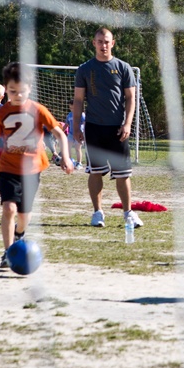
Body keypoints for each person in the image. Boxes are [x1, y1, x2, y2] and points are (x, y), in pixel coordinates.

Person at [0, 63, 74, 269]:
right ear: (5, 89)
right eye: (12, 91)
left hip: (32, 171)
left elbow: (60, 133)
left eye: (22, 91)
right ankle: (8, 252)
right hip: (8, 169)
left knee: (24, 215)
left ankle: (20, 235)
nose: (17, 95)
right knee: (9, 208)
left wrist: (66, 157)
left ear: (30, 87)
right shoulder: (0, 114)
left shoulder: (38, 110)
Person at [72, 27, 143, 230]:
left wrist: (128, 123)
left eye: (107, 41)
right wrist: (76, 126)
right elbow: (78, 100)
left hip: (117, 129)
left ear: (113, 43)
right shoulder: (85, 69)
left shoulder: (123, 67)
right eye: (100, 41)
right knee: (96, 172)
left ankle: (128, 213)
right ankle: (97, 213)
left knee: (123, 174)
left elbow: (131, 98)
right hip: (94, 128)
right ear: (93, 43)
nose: (103, 45)